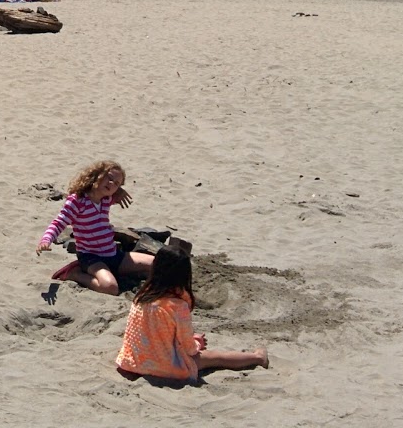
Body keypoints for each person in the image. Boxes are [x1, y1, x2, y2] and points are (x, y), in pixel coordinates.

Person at [116, 239, 269, 383]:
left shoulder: (141, 297)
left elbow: (147, 334)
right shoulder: (177, 306)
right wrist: (197, 342)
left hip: (133, 363)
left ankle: (256, 357)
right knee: (215, 357)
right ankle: (257, 357)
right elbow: (189, 348)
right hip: (165, 368)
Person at [36, 161, 153, 295]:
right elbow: (58, 223)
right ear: (97, 175)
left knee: (157, 264)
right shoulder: (77, 201)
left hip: (114, 254)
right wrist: (46, 240)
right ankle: (74, 273)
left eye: (116, 183)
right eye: (109, 178)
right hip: (91, 258)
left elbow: (114, 193)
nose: (111, 184)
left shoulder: (106, 199)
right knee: (110, 288)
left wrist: (118, 190)